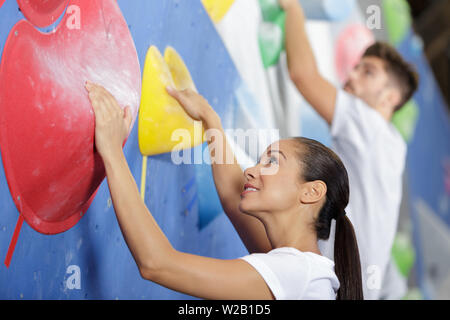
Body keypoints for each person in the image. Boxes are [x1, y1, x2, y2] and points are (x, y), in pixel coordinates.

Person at [84, 80, 363, 300]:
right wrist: (210, 120)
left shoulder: (300, 275)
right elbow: (232, 195)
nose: (251, 171)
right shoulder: (302, 268)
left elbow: (157, 264)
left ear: (312, 192)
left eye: (273, 161)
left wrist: (112, 151)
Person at [278, 0, 419, 299]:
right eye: (355, 67)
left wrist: (293, 10)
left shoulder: (370, 126)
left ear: (390, 98)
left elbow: (303, 75)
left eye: (367, 73)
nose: (351, 76)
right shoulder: (392, 148)